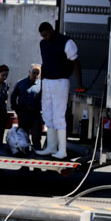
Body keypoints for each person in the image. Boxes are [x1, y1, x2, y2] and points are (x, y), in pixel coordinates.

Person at [35, 22, 82, 159]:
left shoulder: (66, 42)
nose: (45, 38)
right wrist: (41, 86)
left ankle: (62, 150)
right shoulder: (43, 44)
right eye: (42, 36)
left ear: (51, 31)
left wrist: (80, 82)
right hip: (47, 81)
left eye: (46, 35)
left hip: (61, 81)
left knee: (59, 116)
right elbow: (44, 64)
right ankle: (51, 147)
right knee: (47, 114)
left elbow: (75, 62)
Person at [10, 64, 43, 153]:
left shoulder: (42, 85)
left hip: (35, 114)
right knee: (23, 137)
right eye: (33, 73)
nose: (35, 75)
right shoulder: (21, 83)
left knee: (36, 137)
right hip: (23, 114)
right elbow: (13, 96)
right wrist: (16, 108)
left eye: (37, 73)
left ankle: (37, 158)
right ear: (29, 72)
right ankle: (24, 159)